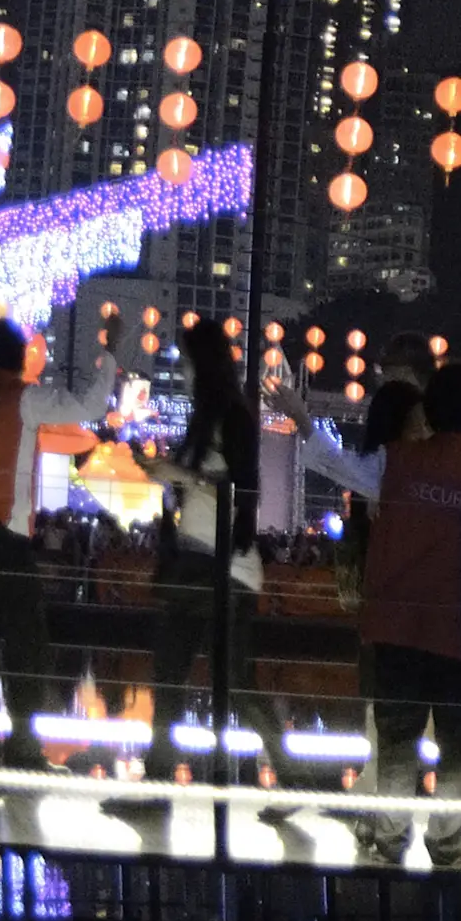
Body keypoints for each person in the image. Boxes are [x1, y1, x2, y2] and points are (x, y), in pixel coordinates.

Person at [353, 360, 461, 867]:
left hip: (397, 625)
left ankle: (390, 837)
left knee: (398, 738)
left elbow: (340, 465)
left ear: (429, 406)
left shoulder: (394, 462)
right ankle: (447, 841)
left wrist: (299, 418)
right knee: (456, 745)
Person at [0, 318, 109, 774]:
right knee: (26, 645)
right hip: (3, 537)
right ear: (21, 358)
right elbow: (91, 404)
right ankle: (22, 748)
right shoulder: (23, 397)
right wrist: (109, 355)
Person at [147, 315, 269, 780]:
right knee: (175, 675)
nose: (183, 373)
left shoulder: (233, 417)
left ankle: (296, 778)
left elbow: (245, 488)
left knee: (229, 681)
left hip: (223, 564)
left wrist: (184, 475)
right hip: (197, 560)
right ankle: (158, 777)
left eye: (188, 363)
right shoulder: (209, 418)